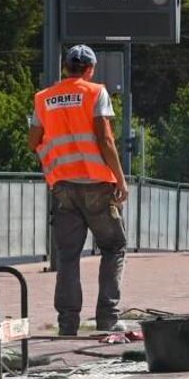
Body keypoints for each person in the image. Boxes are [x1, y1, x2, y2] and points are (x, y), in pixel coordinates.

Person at [29, 45, 129, 336]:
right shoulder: (96, 92)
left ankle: (67, 324)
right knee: (113, 247)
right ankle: (108, 318)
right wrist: (120, 179)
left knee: (68, 255)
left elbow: (32, 139)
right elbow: (105, 138)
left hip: (62, 186)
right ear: (90, 69)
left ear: (66, 68)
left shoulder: (43, 98)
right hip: (97, 183)